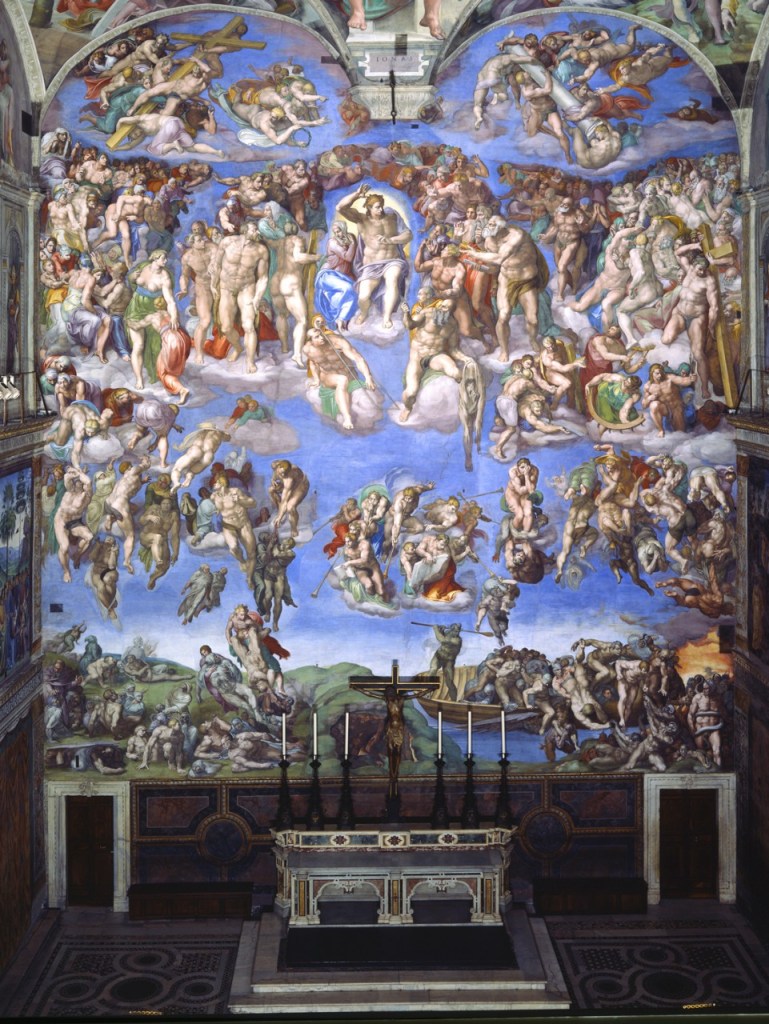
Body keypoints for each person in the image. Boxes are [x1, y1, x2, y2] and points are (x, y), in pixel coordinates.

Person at [470, 215, 550, 358]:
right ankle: (504, 350)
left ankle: (532, 339)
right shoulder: (489, 242)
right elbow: (494, 268)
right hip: (506, 279)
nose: (488, 226)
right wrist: (480, 267)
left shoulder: (516, 235)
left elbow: (499, 258)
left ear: (501, 227)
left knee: (532, 319)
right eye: (489, 223)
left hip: (526, 281)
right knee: (503, 316)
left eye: (493, 224)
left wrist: (474, 254)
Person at [337, 183, 412, 330]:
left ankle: (386, 317)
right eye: (377, 207)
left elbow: (408, 235)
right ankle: (364, 313)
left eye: (381, 206)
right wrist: (356, 195)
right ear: (369, 208)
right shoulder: (361, 219)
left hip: (392, 260)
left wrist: (391, 240)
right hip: (371, 264)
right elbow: (340, 208)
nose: (381, 209)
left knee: (392, 280)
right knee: (363, 296)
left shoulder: (392, 216)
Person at [210, 220, 269, 373]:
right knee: (226, 327)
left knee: (249, 326)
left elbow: (263, 277)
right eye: (254, 229)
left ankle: (250, 361)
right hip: (226, 288)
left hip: (246, 288)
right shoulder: (227, 242)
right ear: (244, 230)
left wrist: (257, 297)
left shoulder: (261, 250)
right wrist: (213, 284)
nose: (258, 232)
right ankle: (237, 347)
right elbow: (216, 265)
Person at [304, 317, 375, 430]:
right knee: (342, 380)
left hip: (348, 374)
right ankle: (347, 418)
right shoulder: (308, 349)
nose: (321, 337)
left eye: (321, 334)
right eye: (317, 337)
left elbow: (358, 358)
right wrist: (316, 379)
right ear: (310, 341)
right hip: (328, 376)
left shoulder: (337, 341)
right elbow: (313, 363)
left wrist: (368, 377)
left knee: (349, 383)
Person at [124, 249, 179, 391]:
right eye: (163, 258)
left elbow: (170, 301)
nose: (165, 261)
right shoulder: (143, 267)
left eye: (166, 258)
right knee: (138, 346)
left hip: (153, 311)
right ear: (154, 258)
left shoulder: (164, 277)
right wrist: (132, 277)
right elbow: (131, 280)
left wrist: (174, 316)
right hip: (135, 308)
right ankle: (139, 378)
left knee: (156, 347)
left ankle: (162, 373)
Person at [269, 460, 309, 538]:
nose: (283, 475)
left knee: (290, 507)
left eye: (285, 473)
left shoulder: (289, 479)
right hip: (288, 486)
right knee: (271, 490)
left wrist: (279, 517)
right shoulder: (275, 465)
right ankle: (280, 511)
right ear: (278, 467)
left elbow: (285, 500)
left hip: (300, 486)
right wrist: (273, 480)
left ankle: (294, 529)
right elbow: (274, 475)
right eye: (281, 473)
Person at [429, 623, 463, 701]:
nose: (457, 633)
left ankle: (454, 701)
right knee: (433, 670)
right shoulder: (448, 633)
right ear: (451, 630)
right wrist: (441, 630)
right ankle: (428, 693)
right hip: (439, 656)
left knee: (449, 682)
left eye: (458, 631)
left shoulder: (457, 640)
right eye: (455, 631)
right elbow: (443, 636)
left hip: (448, 662)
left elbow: (442, 640)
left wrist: (436, 629)